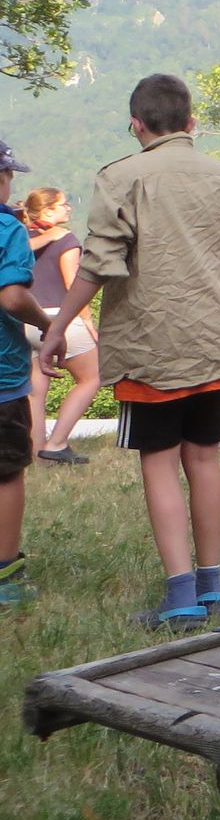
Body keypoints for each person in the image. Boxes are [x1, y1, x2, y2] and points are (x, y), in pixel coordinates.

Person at [40, 76, 220, 630]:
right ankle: (212, 585)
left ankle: (180, 597)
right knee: (204, 457)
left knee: (159, 462)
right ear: (191, 123)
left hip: (150, 348)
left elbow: (98, 263)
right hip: (216, 342)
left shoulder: (120, 176)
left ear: (137, 125)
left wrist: (59, 326)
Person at [0, 140, 49, 606]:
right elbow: (12, 297)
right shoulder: (7, 228)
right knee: (6, 472)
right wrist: (47, 325)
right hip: (1, 378)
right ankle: (5, 575)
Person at [21, 187, 104, 462]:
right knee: (92, 377)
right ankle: (57, 443)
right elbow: (73, 286)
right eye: (63, 204)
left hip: (28, 321)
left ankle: (36, 452)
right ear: (48, 211)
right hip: (60, 319)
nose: (69, 208)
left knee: (36, 392)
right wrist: (89, 323)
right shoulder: (66, 240)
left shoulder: (21, 238)